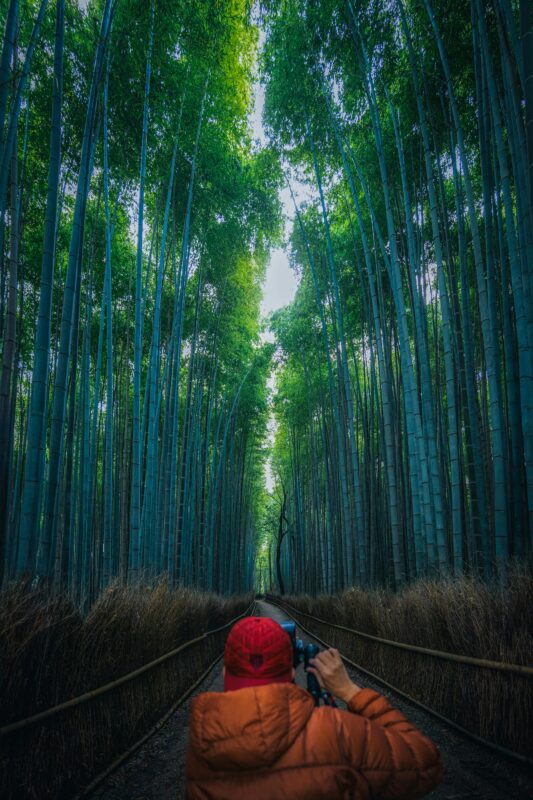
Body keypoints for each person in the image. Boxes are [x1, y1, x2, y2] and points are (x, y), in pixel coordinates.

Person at [186, 616, 443, 799]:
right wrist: (349, 691)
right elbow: (425, 763)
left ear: (224, 672)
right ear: (290, 671)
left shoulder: (201, 744)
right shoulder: (334, 731)